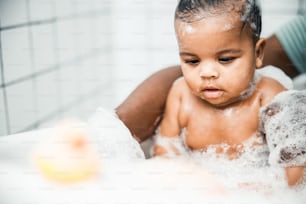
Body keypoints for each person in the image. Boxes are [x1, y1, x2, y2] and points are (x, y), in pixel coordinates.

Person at [116, 0, 304, 186]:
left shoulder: (269, 97)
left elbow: (295, 168)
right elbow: (165, 152)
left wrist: (266, 190)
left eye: (225, 59)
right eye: (192, 61)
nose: (206, 73)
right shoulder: (181, 96)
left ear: (258, 53)